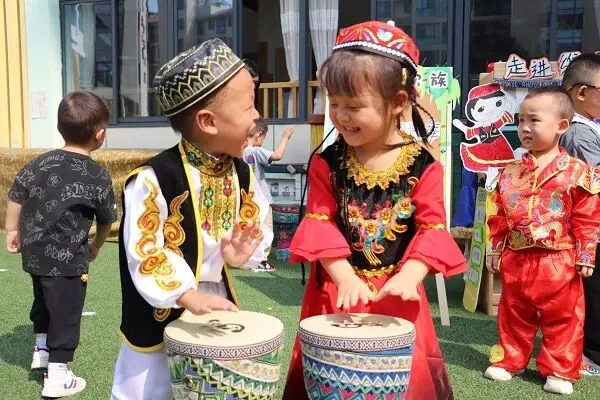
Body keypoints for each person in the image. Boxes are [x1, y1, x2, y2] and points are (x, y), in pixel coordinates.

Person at [282, 21, 467, 400]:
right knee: (331, 377)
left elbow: (432, 229)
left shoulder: (423, 166)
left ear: (398, 101)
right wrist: (345, 278)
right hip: (338, 291)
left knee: (399, 380)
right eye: (333, 103)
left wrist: (410, 276)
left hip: (396, 294)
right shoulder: (327, 163)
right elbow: (320, 223)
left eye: (354, 106)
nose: (340, 115)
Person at [110, 39, 273, 400]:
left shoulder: (242, 173)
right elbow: (145, 251)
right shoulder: (152, 179)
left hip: (213, 303)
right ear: (208, 122)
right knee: (150, 391)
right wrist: (185, 295)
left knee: (211, 389)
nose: (256, 116)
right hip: (159, 305)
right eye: (249, 106)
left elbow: (255, 224)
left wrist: (238, 256)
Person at [485, 87, 600, 395]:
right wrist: (496, 248)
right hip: (517, 257)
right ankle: (510, 360)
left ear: (561, 125)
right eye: (521, 120)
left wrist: (586, 253)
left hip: (558, 259)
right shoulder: (508, 172)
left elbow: (588, 217)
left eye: (534, 120)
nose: (524, 127)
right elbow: (498, 215)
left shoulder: (578, 172)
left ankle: (559, 369)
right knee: (513, 313)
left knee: (563, 318)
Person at [5, 91, 116, 398]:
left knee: (42, 300)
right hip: (68, 261)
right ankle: (57, 375)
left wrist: (11, 230)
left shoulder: (38, 163)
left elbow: (15, 195)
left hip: (34, 254)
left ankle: (41, 350)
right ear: (100, 134)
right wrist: (97, 244)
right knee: (66, 311)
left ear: (59, 127)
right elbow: (106, 219)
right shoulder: (97, 175)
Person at [559, 53, 600, 376]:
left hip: (589, 228)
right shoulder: (578, 133)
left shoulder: (586, 129)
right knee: (591, 293)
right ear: (582, 92)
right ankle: (587, 352)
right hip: (588, 229)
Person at [243, 117, 294, 271]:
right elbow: (277, 155)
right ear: (258, 134)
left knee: (247, 229)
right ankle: (261, 261)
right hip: (261, 199)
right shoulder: (255, 151)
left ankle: (245, 259)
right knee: (264, 229)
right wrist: (285, 137)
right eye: (263, 138)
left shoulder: (238, 152)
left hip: (245, 199)